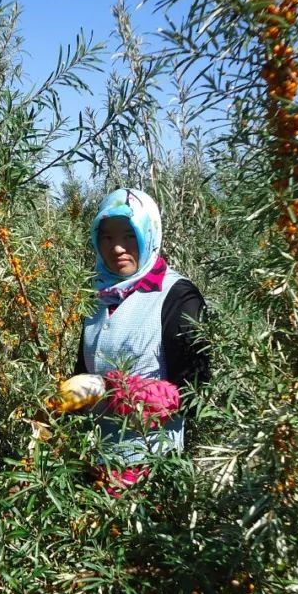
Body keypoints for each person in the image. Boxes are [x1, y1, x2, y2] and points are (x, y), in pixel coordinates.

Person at [73, 187, 209, 462]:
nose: (117, 248)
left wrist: (113, 391)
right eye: (107, 237)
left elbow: (194, 395)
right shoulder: (97, 296)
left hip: (152, 472)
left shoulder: (178, 296)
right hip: (94, 469)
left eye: (129, 235)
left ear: (148, 233)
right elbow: (82, 372)